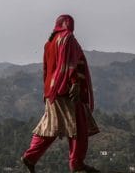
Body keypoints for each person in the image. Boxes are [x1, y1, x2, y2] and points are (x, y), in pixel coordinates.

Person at [21, 14, 99, 173]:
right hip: (67, 90)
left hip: (52, 91)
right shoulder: (68, 38)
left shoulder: (49, 43)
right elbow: (69, 63)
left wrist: (46, 91)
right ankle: (77, 164)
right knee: (78, 127)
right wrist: (75, 83)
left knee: (51, 126)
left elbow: (46, 70)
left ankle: (30, 156)